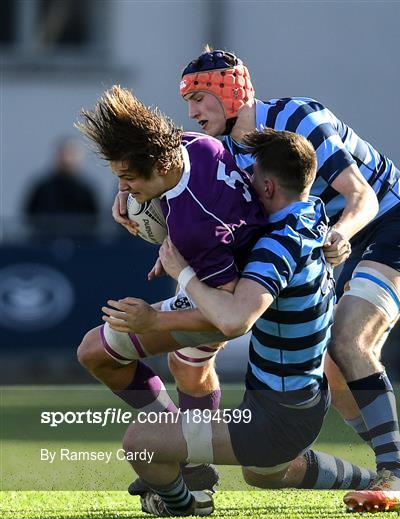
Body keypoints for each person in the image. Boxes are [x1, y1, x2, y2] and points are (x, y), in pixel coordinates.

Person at [174, 48, 400, 513]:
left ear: (231, 89)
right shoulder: (230, 155)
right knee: (328, 382)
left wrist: (340, 233)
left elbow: (361, 197)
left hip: (396, 224)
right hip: (333, 244)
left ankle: (396, 476)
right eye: (188, 103)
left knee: (348, 341)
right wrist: (129, 191)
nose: (193, 112)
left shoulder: (299, 116)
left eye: (199, 97)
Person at [117, 128, 376, 517]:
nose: (245, 183)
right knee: (264, 474)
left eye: (252, 176)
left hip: (277, 415)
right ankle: (372, 480)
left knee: (140, 442)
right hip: (297, 401)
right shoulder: (313, 216)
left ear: (268, 186)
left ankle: (185, 505)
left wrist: (178, 279)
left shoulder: (278, 243)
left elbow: (235, 321)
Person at [75, 84, 267, 490]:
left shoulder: (195, 225)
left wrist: (151, 320)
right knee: (184, 365)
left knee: (105, 352)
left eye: (129, 179)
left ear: (159, 167)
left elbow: (226, 315)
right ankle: (190, 461)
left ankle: (181, 456)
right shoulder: (193, 145)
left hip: (228, 294)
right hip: (229, 271)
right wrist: (124, 189)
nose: (126, 191)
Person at [24, 136, 99, 238]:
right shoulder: (42, 189)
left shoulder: (85, 191)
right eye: (63, 155)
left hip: (81, 246)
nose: (67, 160)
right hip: (45, 243)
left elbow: (94, 221)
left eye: (71, 155)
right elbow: (30, 217)